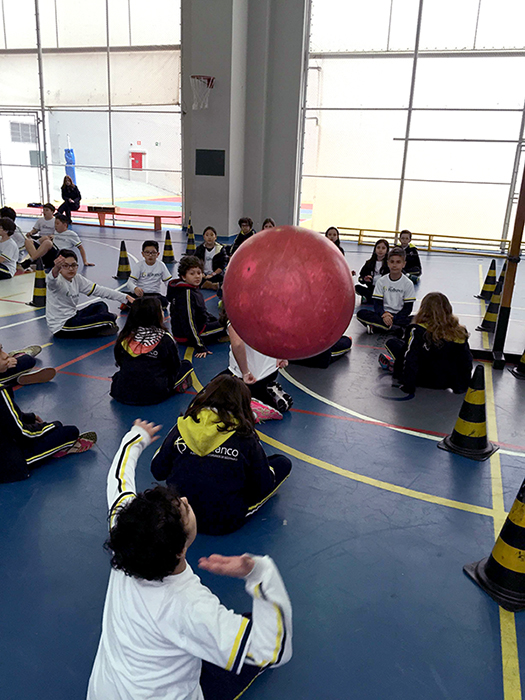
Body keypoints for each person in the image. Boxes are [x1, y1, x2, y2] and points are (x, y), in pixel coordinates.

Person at [87, 418, 292, 700]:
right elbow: (272, 649)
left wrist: (137, 437)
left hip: (103, 692)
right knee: (251, 631)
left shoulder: (126, 538)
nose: (184, 499)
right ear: (180, 549)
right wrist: (260, 573)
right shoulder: (190, 605)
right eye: (184, 510)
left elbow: (119, 477)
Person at [151, 375, 293, 534]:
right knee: (282, 463)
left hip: (180, 516)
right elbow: (262, 485)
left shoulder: (183, 425)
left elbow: (157, 470)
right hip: (224, 521)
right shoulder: (244, 435)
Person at [380, 292, 473, 395]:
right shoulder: (459, 331)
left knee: (394, 344)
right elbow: (466, 361)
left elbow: (411, 358)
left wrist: (404, 382)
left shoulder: (418, 330)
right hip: (447, 381)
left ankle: (393, 364)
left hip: (423, 379)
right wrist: (462, 386)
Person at [0, 384, 96, 483]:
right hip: (10, 464)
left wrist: (30, 417)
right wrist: (52, 426)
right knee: (71, 432)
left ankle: (56, 448)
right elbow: (23, 434)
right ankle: (62, 447)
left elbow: (6, 414)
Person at [110, 296, 194, 405]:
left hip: (121, 393)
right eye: (161, 310)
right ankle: (178, 385)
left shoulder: (125, 337)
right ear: (156, 315)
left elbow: (120, 362)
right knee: (186, 365)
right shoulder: (164, 338)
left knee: (125, 374)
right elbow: (174, 366)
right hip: (154, 395)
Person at [46, 249, 133, 338]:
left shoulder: (77, 278)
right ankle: (101, 325)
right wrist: (56, 268)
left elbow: (99, 290)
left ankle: (98, 326)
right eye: (65, 266)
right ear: (60, 268)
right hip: (62, 326)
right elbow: (51, 280)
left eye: (73, 265)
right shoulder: (56, 281)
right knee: (108, 319)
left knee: (100, 305)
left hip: (73, 315)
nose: (71, 269)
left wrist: (125, 297)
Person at [225, 317, 292, 420]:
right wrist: (281, 356)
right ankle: (267, 397)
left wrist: (245, 372)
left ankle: (250, 406)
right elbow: (281, 332)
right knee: (257, 391)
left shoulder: (235, 317)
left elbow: (237, 344)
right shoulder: (267, 313)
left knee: (210, 396)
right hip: (271, 371)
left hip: (248, 378)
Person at [167, 256, 227, 358]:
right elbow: (188, 322)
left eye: (199, 273)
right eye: (192, 274)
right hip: (189, 336)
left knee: (222, 321)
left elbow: (201, 311)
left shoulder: (191, 288)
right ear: (184, 276)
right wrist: (199, 346)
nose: (197, 276)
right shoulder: (186, 294)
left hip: (197, 328)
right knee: (230, 325)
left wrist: (214, 320)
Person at [356, 247, 415, 334]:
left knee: (417, 319)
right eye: (392, 262)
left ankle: (379, 327)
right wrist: (384, 314)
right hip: (382, 315)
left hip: (399, 316)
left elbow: (408, 308)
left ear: (404, 264)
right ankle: (395, 328)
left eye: (398, 262)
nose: (394, 265)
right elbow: (377, 304)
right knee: (361, 314)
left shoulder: (408, 283)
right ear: (388, 263)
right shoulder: (381, 281)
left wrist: (393, 318)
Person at [22, 213, 94, 269]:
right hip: (47, 253)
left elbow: (80, 248)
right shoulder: (55, 232)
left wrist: (85, 261)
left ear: (65, 225)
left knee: (47, 242)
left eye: (57, 224)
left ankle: (30, 261)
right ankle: (36, 260)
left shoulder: (71, 234)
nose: (55, 226)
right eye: (55, 223)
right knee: (28, 241)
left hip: (58, 254)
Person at [124, 240, 172, 309]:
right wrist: (135, 288)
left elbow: (168, 282)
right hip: (141, 294)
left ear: (158, 254)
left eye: (153, 253)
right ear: (143, 254)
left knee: (164, 301)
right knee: (125, 296)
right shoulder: (139, 266)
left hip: (155, 295)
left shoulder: (161, 265)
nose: (150, 255)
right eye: (147, 252)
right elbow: (130, 282)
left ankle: (139, 306)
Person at [354, 238, 389, 304]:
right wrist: (364, 279)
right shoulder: (369, 263)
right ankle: (372, 298)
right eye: (378, 247)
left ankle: (371, 298)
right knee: (357, 287)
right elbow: (360, 278)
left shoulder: (389, 264)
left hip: (384, 290)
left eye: (383, 248)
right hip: (371, 289)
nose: (380, 250)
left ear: (387, 250)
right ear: (375, 249)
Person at [194, 226, 228, 290]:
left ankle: (207, 284)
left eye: (212, 235)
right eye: (207, 235)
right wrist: (201, 273)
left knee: (223, 278)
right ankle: (211, 285)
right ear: (204, 237)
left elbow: (222, 265)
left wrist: (213, 274)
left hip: (215, 274)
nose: (209, 237)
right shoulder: (199, 249)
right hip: (203, 275)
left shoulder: (220, 249)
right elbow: (196, 262)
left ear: (215, 237)